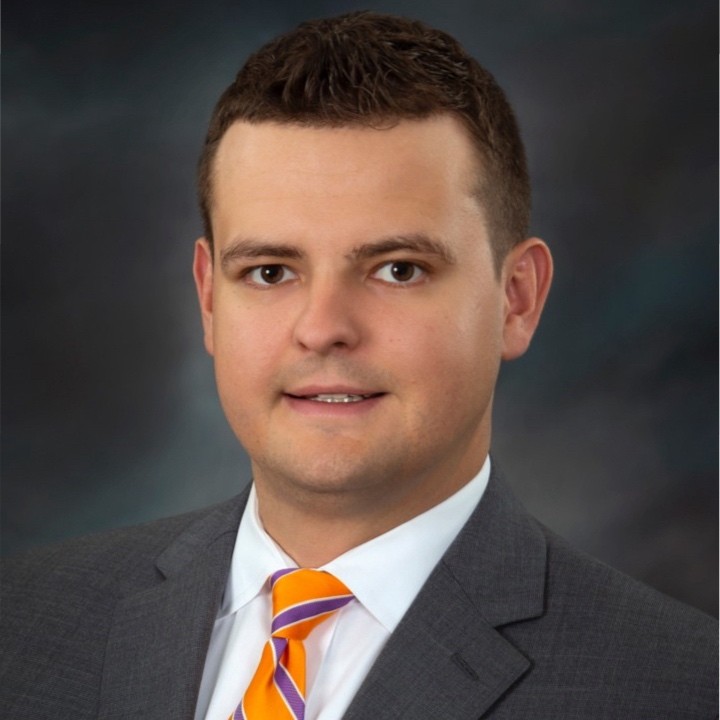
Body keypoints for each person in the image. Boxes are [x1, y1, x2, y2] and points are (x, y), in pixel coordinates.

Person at [1, 11, 716, 720]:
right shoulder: (24, 625)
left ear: (516, 300)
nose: (322, 330)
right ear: (209, 297)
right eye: (271, 272)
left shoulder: (679, 686)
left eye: (398, 269)